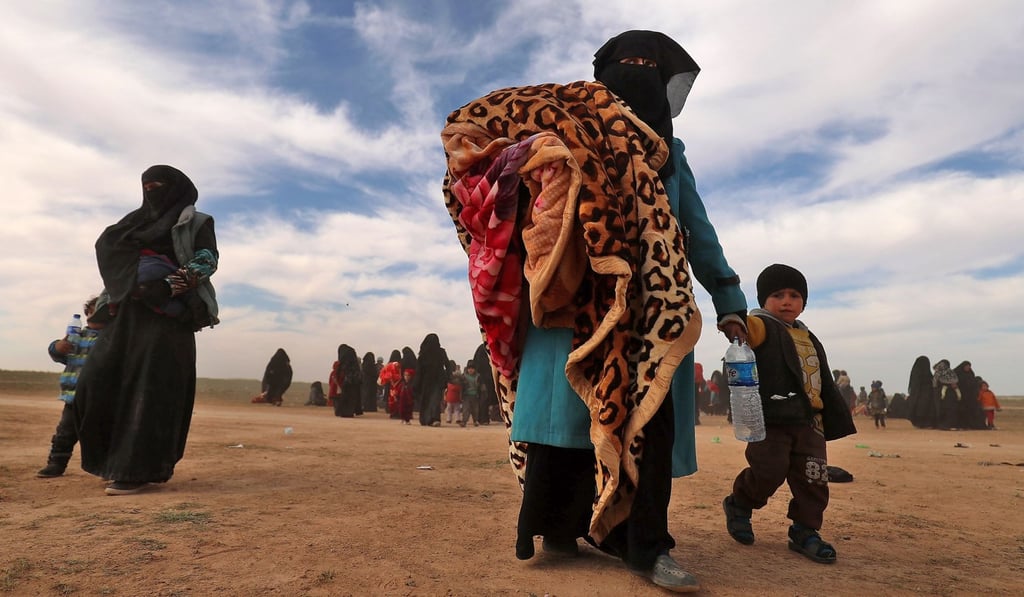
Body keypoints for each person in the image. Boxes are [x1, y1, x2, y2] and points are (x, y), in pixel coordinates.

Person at [441, 30, 749, 592]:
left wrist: (728, 299)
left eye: (648, 66)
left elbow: (698, 232)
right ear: (602, 72)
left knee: (643, 419)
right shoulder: (556, 128)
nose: (637, 73)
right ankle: (557, 528)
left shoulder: (669, 153)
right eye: (625, 63)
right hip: (570, 302)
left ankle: (643, 545)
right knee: (563, 422)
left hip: (648, 309)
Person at [74, 164, 219, 496]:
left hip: (168, 318)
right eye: (147, 185)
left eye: (159, 185)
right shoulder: (131, 224)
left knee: (152, 393)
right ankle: (109, 460)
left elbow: (207, 260)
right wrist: (108, 300)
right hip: (125, 314)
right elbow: (116, 264)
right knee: (94, 382)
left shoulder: (196, 222)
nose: (151, 191)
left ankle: (136, 470)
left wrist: (168, 286)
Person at [722, 264, 856, 565]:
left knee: (814, 478)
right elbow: (746, 328)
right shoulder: (761, 325)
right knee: (768, 471)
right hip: (772, 419)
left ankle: (805, 531)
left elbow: (822, 378)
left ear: (804, 302)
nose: (787, 301)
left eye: (795, 295)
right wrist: (734, 320)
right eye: (778, 294)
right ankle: (740, 503)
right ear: (763, 300)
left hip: (810, 422)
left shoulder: (807, 336)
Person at [37, 296, 105, 478]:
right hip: (73, 398)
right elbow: (59, 353)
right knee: (65, 434)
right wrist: (58, 347)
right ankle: (56, 464)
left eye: (100, 312)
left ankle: (107, 467)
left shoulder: (113, 338)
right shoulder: (77, 336)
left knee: (102, 435)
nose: (94, 317)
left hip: (101, 400)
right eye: (91, 313)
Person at [413, 333, 452, 427]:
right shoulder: (440, 352)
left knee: (427, 400)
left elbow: (418, 371)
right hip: (436, 380)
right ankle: (433, 419)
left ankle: (428, 419)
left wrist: (416, 383)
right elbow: (448, 365)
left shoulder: (423, 354)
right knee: (434, 400)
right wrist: (447, 377)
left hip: (427, 381)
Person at [906, 356, 936, 428]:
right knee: (922, 408)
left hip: (921, 395)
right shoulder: (920, 373)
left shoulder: (919, 372)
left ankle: (923, 423)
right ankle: (921, 423)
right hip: (921, 394)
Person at [334, 344, 362, 418]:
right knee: (351, 397)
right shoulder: (353, 360)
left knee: (347, 396)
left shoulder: (344, 361)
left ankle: (345, 412)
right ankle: (349, 412)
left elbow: (342, 370)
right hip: (354, 381)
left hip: (348, 380)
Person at [932, 359, 960, 430]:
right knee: (942, 409)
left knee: (952, 409)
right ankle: (943, 425)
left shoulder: (951, 372)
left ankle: (951, 425)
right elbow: (935, 384)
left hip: (951, 394)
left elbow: (955, 381)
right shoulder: (937, 373)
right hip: (941, 395)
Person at [459, 361, 484, 427]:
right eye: (469, 368)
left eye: (472, 368)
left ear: (475, 369)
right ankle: (464, 421)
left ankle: (475, 421)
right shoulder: (463, 376)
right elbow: (460, 386)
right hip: (466, 395)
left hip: (475, 395)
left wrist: (483, 393)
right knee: (466, 409)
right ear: (467, 369)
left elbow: (482, 386)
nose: (470, 370)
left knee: (475, 410)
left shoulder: (478, 376)